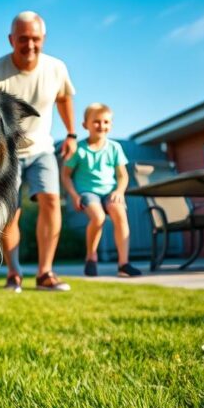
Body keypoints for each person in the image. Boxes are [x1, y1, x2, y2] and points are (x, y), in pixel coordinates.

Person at [0, 11, 77, 292]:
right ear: (11, 40)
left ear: (43, 39)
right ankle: (14, 273)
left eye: (35, 39)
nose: (30, 45)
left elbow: (64, 97)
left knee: (51, 201)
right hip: (7, 153)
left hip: (43, 147)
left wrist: (71, 133)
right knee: (11, 211)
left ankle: (45, 273)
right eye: (23, 39)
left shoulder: (56, 68)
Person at [62, 103, 142, 278]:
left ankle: (123, 264)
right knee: (98, 218)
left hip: (110, 191)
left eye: (106, 122)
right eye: (96, 122)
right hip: (87, 192)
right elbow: (66, 175)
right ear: (86, 125)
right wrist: (74, 195)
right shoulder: (79, 149)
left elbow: (122, 176)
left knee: (119, 212)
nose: (101, 125)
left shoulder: (115, 148)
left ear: (111, 125)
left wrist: (119, 191)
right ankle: (91, 256)